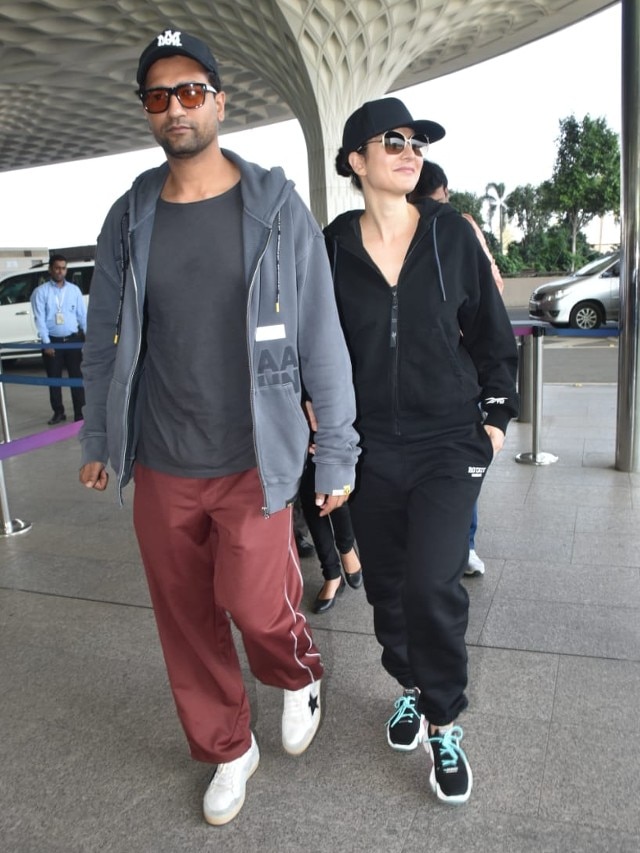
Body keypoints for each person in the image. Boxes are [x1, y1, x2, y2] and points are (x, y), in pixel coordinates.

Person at [78, 29, 359, 827]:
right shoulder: (129, 217)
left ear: (220, 100)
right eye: (159, 95)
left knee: (254, 600)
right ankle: (229, 748)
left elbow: (321, 336)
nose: (177, 107)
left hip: (253, 455)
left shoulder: (273, 206)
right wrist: (101, 438)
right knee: (184, 618)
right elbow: (106, 337)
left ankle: (298, 671)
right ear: (147, 110)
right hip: (164, 458)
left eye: (191, 90)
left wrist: (335, 445)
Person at [326, 97, 518, 805]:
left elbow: (496, 341)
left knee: (433, 583)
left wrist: (492, 427)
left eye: (417, 142)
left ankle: (443, 718)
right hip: (371, 447)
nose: (411, 151)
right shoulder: (332, 247)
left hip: (446, 443)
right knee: (386, 589)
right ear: (357, 161)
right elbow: (318, 352)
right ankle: (407, 683)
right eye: (393, 141)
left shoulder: (451, 236)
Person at [409, 160, 506, 577]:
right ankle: (462, 545)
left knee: (456, 468)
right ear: (442, 189)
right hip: (446, 373)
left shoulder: (456, 229)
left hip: (452, 380)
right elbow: (494, 286)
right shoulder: (455, 226)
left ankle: (460, 545)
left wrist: (498, 416)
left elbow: (488, 291)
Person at [298, 401, 362, 613]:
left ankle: (346, 547)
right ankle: (332, 574)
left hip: (331, 403)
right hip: (293, 401)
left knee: (334, 484)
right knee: (310, 494)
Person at [30, 253, 87, 424]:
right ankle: (58, 412)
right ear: (50, 269)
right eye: (57, 268)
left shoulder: (74, 290)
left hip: (73, 341)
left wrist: (89, 339)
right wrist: (46, 343)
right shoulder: (41, 292)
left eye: (63, 268)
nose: (60, 271)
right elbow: (39, 319)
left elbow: (82, 316)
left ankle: (80, 413)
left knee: (76, 378)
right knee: (54, 379)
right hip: (52, 342)